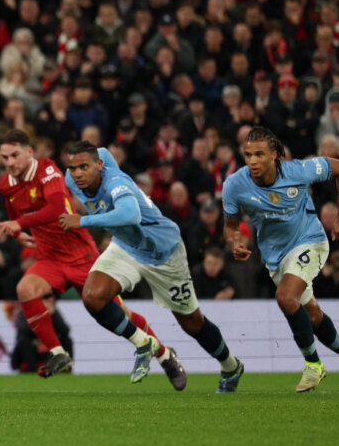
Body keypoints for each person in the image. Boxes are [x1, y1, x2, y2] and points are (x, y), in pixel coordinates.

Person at [62, 142, 246, 393]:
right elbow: (102, 151)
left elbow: (130, 215)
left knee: (192, 322)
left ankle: (230, 365)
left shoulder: (116, 183)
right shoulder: (75, 176)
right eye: (73, 167)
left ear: (99, 166)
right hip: (126, 246)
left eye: (84, 166)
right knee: (93, 297)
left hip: (163, 252)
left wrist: (83, 220)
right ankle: (145, 343)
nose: (78, 173)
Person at [0, 129, 161, 377]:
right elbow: (12, 207)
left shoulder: (48, 171)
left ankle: (164, 354)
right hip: (50, 258)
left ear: (29, 152)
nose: (10, 163)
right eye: (4, 158)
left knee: (118, 314)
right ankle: (59, 353)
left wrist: (20, 224)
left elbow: (57, 209)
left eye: (14, 155)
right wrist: (17, 232)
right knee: (25, 289)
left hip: (82, 257)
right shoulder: (6, 183)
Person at [222, 127, 339, 393]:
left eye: (260, 155)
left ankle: (313, 364)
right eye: (248, 155)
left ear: (275, 155)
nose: (253, 161)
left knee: (285, 297)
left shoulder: (298, 170)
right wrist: (234, 243)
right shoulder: (234, 185)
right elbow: (229, 226)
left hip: (310, 240)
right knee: (312, 315)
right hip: (275, 255)